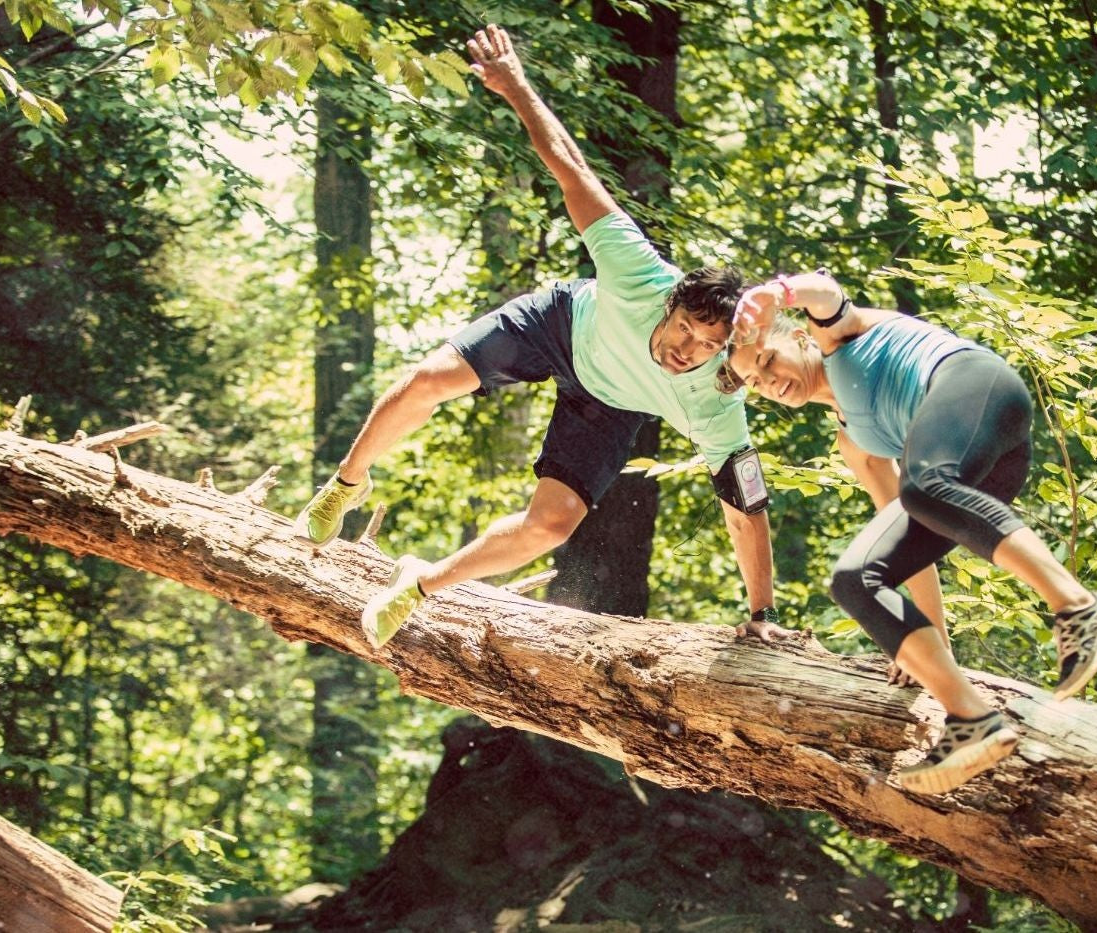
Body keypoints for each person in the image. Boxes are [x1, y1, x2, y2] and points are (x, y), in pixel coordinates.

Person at [295, 25, 785, 650]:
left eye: (705, 346)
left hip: (608, 402)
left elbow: (747, 510)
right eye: (684, 329)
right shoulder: (637, 270)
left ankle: (418, 587)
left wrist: (763, 612)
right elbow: (571, 169)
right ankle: (345, 484)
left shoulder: (718, 401)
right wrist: (517, 85)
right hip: (558, 325)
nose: (684, 350)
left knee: (552, 524)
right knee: (429, 380)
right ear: (672, 304)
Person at [722, 272, 1097, 794]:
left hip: (979, 388)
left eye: (767, 360)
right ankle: (970, 718)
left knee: (923, 486)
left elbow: (824, 292)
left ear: (800, 339)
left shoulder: (837, 336)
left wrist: (774, 293)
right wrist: (923, 643)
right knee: (856, 578)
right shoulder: (856, 444)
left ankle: (1078, 607)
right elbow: (907, 548)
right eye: (757, 383)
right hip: (973, 475)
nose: (770, 380)